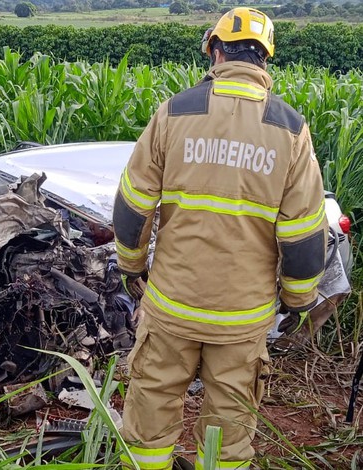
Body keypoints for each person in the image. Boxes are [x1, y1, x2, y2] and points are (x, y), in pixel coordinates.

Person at [112, 7, 328, 470]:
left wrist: (132, 266)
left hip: (172, 304)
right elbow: (305, 232)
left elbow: (133, 205)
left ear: (214, 50)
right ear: (265, 60)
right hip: (242, 315)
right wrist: (297, 297)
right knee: (229, 427)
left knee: (151, 410)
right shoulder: (290, 130)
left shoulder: (175, 112)